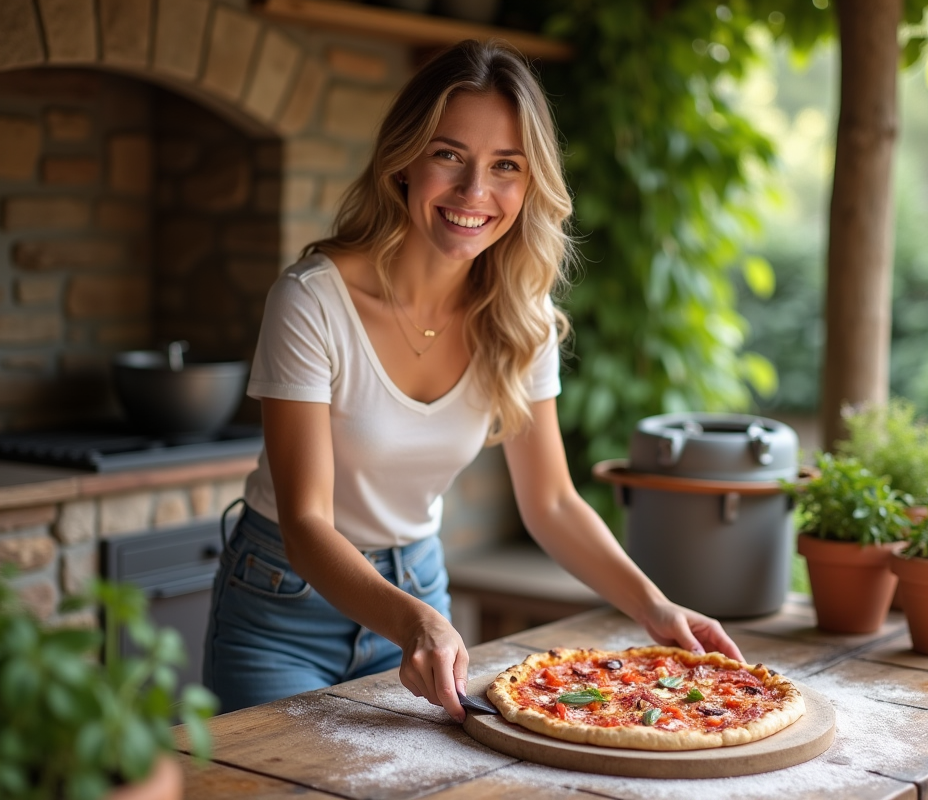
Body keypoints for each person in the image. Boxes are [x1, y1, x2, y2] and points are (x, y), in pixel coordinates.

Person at [203, 39, 743, 720]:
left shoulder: (522, 318)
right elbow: (308, 524)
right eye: (448, 154)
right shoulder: (311, 300)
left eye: (506, 166)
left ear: (531, 181)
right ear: (405, 160)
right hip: (282, 606)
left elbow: (549, 502)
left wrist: (654, 606)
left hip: (421, 590)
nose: (474, 193)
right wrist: (414, 624)